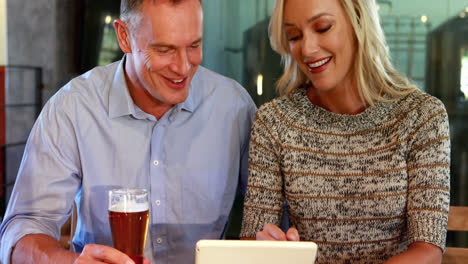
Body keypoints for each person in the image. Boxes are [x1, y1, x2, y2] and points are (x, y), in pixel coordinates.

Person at [0, 0, 256, 263]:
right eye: (165, 49)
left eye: (194, 46)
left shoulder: (234, 107)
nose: (183, 67)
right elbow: (23, 230)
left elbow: (270, 217)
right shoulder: (72, 108)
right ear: (124, 36)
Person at [239, 0, 450, 263]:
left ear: (359, 22)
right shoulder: (274, 122)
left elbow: (428, 252)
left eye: (323, 27)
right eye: (294, 36)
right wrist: (272, 250)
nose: (307, 49)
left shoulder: (422, 116)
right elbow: (252, 240)